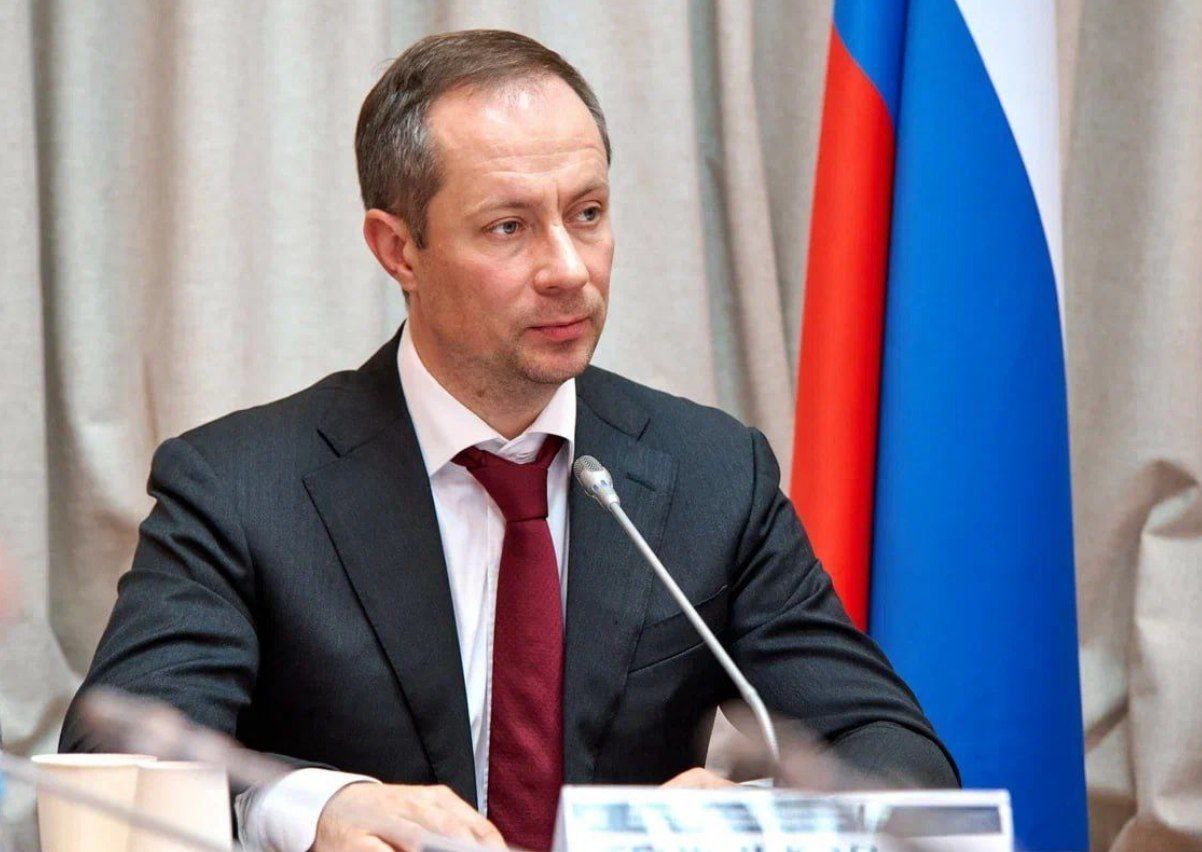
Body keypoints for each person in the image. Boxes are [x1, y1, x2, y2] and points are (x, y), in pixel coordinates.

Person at [61, 29, 957, 852]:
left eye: (589, 213)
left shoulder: (711, 474)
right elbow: (117, 764)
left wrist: (754, 819)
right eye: (508, 227)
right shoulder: (242, 486)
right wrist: (312, 808)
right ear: (398, 250)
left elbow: (894, 754)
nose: (568, 269)